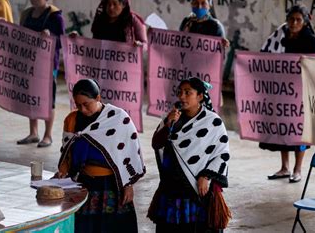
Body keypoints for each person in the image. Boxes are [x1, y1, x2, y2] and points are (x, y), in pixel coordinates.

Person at [56, 79, 145, 232]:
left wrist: (129, 185)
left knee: (114, 227)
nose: (82, 109)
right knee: (86, 227)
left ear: (98, 98)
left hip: (113, 184)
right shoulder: (72, 120)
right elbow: (66, 153)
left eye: (86, 104)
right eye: (78, 105)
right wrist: (62, 173)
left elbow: (129, 154)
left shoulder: (117, 118)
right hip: (85, 183)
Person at [148, 77, 231, 232]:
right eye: (180, 92)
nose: (182, 96)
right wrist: (167, 125)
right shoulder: (171, 118)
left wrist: (206, 176)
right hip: (172, 186)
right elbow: (157, 144)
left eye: (188, 93)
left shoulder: (213, 122)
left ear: (200, 96)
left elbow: (222, 154)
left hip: (197, 189)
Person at [260, 4, 315, 183]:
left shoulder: (310, 40)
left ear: (305, 21)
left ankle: (297, 169)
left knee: (298, 131)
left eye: (298, 20)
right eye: (291, 19)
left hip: (300, 94)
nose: (294, 23)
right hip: (281, 92)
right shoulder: (279, 36)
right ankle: (284, 167)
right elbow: (265, 55)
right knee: (282, 129)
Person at [17, 0, 65, 147]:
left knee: (47, 99)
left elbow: (62, 41)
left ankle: (48, 135)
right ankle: (33, 132)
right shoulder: (27, 14)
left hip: (47, 66)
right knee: (31, 98)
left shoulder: (55, 16)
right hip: (30, 64)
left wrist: (50, 36)